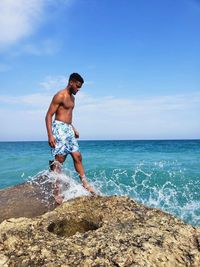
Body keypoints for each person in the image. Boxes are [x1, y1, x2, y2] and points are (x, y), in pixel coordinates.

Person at [45, 73, 95, 203]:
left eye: (80, 88)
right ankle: (57, 192)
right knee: (59, 160)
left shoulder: (73, 98)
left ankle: (85, 183)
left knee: (77, 156)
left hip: (68, 129)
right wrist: (50, 135)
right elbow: (49, 115)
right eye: (77, 86)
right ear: (71, 82)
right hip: (59, 129)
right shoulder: (60, 95)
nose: (78, 90)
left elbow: (67, 115)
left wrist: (73, 128)